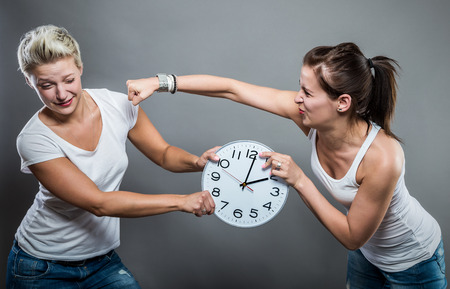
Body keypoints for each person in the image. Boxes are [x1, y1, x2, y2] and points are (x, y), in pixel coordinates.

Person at [126, 43, 447, 288]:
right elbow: (232, 89)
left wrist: (300, 180)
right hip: (368, 255)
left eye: (307, 92)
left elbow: (352, 236)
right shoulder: (307, 115)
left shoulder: (383, 157)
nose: (297, 98)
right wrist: (160, 82)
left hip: (413, 260)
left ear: (342, 103)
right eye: (299, 87)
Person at [6, 24, 218, 289]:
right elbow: (99, 203)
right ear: (30, 82)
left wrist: (197, 162)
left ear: (80, 68)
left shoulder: (118, 105)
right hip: (42, 266)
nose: (61, 94)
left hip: (101, 261)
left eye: (69, 80)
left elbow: (164, 154)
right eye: (46, 85)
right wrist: (181, 201)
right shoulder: (33, 139)